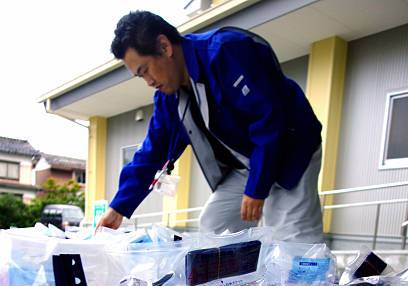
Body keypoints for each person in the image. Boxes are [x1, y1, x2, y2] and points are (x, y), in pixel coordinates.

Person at [97, 10, 323, 242]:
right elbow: (152, 151)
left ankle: (307, 271)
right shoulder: (168, 97)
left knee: (291, 240)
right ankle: (236, 277)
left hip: (290, 149)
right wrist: (119, 208)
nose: (149, 82)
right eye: (140, 77)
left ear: (164, 46)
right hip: (245, 164)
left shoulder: (227, 52)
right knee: (215, 227)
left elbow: (270, 119)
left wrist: (257, 188)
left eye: (145, 70)